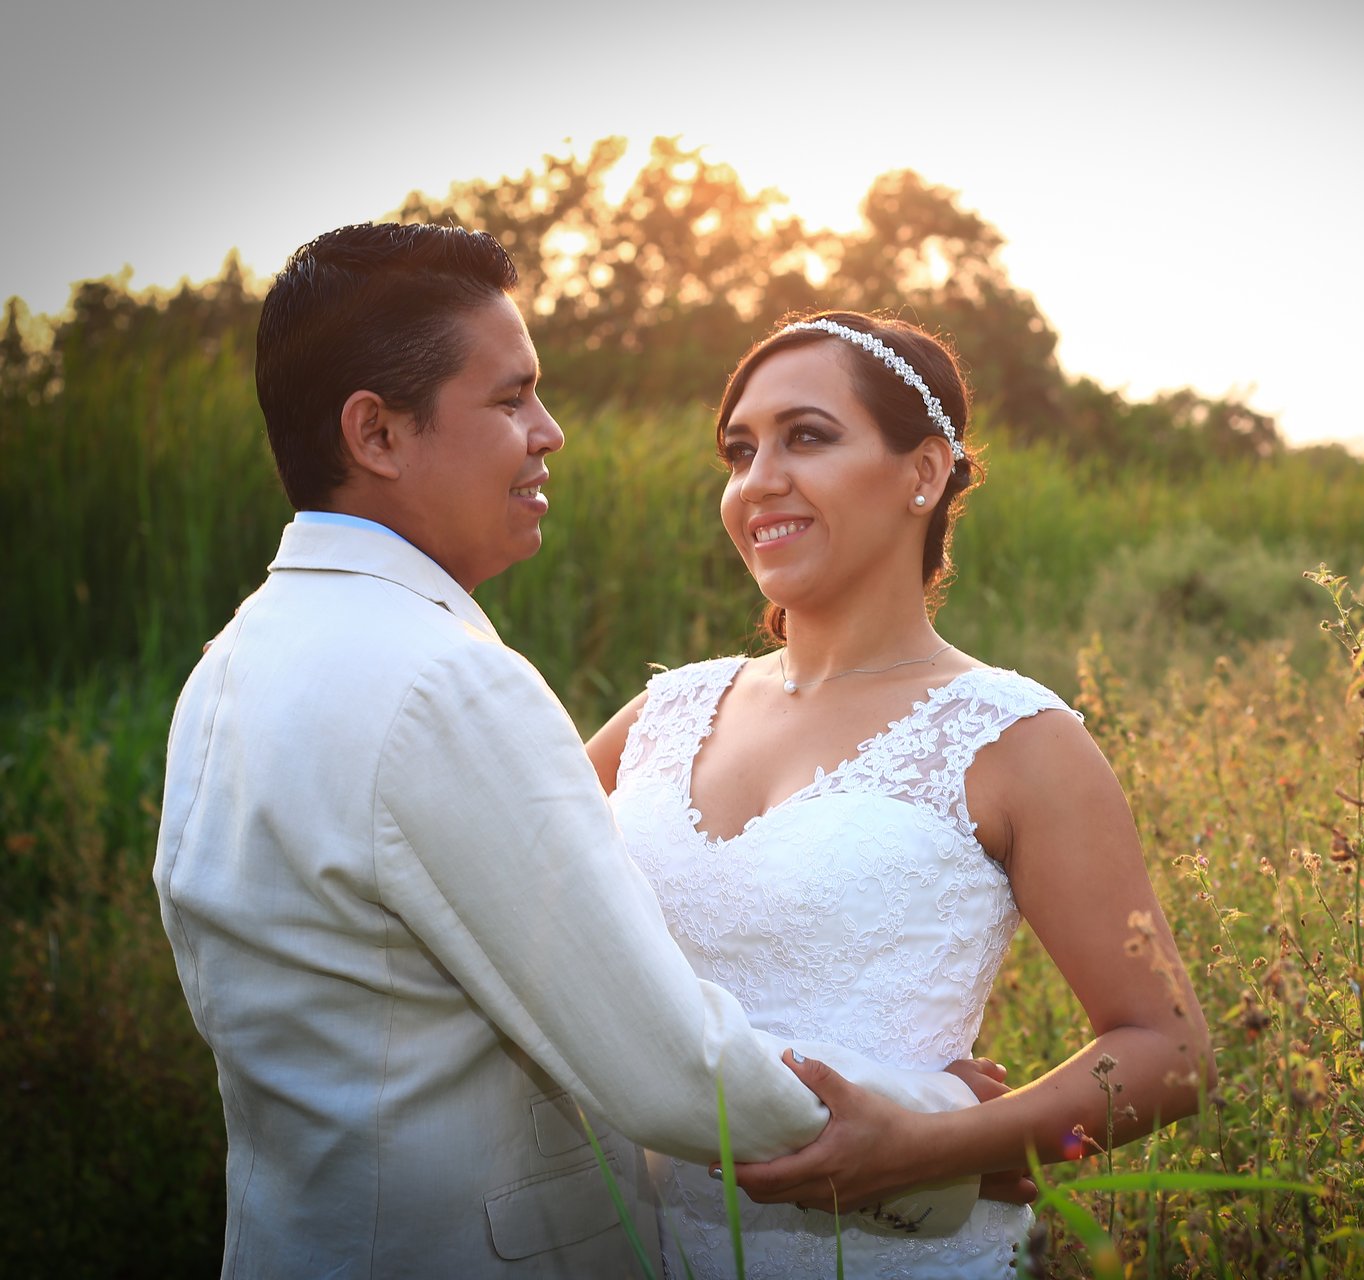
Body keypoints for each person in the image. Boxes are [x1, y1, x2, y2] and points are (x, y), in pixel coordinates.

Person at [152, 226, 1022, 1279]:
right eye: (510, 397)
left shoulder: (229, 662)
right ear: (377, 434)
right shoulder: (447, 681)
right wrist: (943, 1131)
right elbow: (668, 1067)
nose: (549, 431)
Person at [585, 311, 1213, 1277]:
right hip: (636, 1248)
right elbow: (508, 930)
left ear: (924, 473)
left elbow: (1168, 1054)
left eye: (808, 436)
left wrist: (946, 1142)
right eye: (740, 450)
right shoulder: (661, 714)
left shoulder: (1015, 739)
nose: (759, 481)